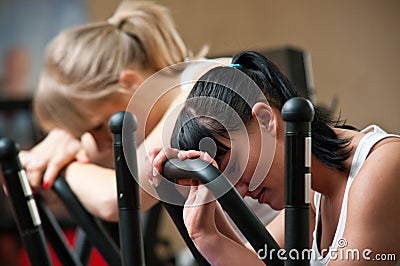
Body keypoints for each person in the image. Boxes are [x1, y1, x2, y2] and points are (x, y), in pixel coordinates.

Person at [20, 0, 277, 231]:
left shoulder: (197, 95)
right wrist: (63, 142)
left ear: (129, 83)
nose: (98, 143)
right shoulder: (180, 85)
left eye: (98, 126)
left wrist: (64, 168)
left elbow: (119, 199)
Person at [149, 51, 400, 265]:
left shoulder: (383, 166)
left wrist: (208, 238)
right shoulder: (312, 195)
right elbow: (255, 259)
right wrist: (203, 205)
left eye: (234, 167)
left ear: (266, 120)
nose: (242, 192)